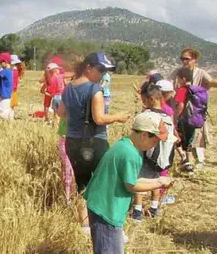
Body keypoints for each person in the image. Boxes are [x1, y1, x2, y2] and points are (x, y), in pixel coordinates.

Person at [84, 111, 173, 254]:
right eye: (155, 141)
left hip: (103, 203)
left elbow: (130, 179)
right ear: (144, 135)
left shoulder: (126, 145)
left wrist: (158, 181)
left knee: (113, 250)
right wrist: (159, 182)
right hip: (108, 209)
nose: (155, 145)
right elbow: (132, 185)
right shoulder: (131, 155)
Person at [56, 52, 130, 229]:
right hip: (95, 142)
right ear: (88, 68)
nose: (103, 74)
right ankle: (107, 224)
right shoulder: (95, 90)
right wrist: (118, 117)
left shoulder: (69, 88)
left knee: (82, 183)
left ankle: (84, 225)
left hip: (73, 142)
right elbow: (99, 118)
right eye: (101, 69)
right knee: (106, 182)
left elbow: (61, 113)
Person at [169, 48, 217, 168]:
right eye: (182, 59)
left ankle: (197, 161)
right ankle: (187, 160)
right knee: (187, 136)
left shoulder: (200, 73)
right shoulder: (177, 71)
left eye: (187, 59)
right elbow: (168, 82)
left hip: (194, 112)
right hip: (183, 111)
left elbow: (210, 81)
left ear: (194, 59)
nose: (184, 61)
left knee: (195, 136)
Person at [130, 84, 178, 221]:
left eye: (144, 100)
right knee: (156, 180)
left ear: (151, 99)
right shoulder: (167, 117)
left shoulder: (147, 116)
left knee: (139, 178)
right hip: (161, 157)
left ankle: (137, 211)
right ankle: (154, 207)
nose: (143, 103)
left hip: (146, 154)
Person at [173, 67, 197, 172]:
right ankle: (188, 163)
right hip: (194, 119)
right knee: (188, 143)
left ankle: (187, 164)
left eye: (178, 79)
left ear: (183, 79)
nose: (177, 81)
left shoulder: (182, 90)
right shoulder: (195, 89)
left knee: (177, 139)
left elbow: (181, 105)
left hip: (184, 119)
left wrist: (175, 117)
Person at [0, 52, 15, 120]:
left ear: (5, 62)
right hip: (8, 94)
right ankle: (11, 121)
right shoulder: (10, 71)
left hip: (4, 94)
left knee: (3, 110)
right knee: (8, 109)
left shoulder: (4, 71)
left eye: (1, 62)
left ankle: (5, 122)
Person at [57, 116, 75, 205]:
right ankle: (67, 200)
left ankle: (69, 197)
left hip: (70, 138)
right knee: (68, 171)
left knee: (68, 171)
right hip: (67, 138)